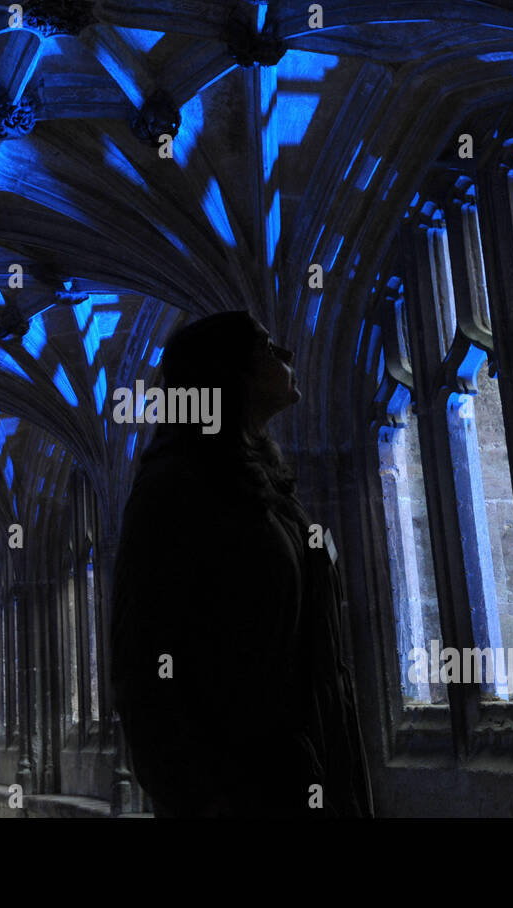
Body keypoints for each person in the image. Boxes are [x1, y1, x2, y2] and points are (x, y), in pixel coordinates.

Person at [110, 310, 374, 818]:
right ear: (228, 373)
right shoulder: (173, 489)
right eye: (265, 344)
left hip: (310, 776)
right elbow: (142, 669)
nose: (287, 355)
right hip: (248, 792)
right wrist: (207, 800)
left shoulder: (265, 482)